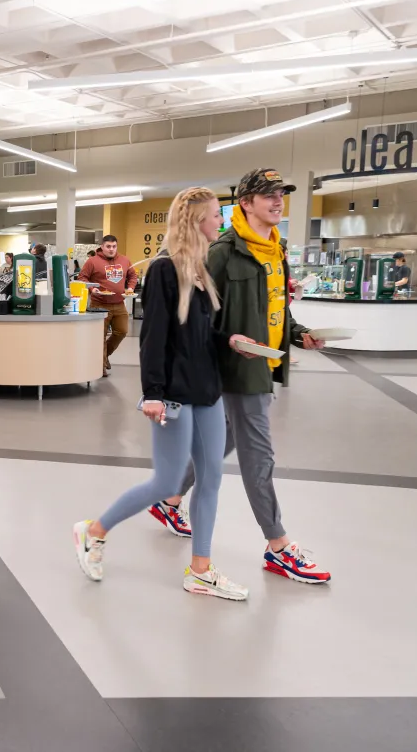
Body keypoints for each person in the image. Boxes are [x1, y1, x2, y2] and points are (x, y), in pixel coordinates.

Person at [149, 168, 331, 585]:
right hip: (234, 368)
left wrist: (299, 335)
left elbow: (275, 307)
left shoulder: (276, 249)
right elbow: (194, 317)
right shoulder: (221, 251)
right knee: (258, 455)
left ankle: (171, 498)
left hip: (263, 363)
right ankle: (278, 546)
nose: (277, 200)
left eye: (281, 193)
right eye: (267, 194)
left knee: (226, 441)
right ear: (245, 203)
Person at [73, 188, 250, 600]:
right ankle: (93, 531)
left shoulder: (203, 272)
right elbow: (152, 339)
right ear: (194, 222)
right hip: (172, 394)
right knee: (166, 481)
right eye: (214, 217)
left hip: (208, 391)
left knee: (210, 480)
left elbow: (202, 334)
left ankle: (200, 570)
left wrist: (231, 341)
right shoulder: (164, 271)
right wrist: (151, 393)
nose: (220, 223)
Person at [78, 235, 138, 375]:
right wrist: (93, 289)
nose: (111, 249)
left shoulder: (124, 260)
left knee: (121, 332)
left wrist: (130, 288)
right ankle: (101, 366)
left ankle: (104, 357)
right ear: (102, 247)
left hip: (119, 303)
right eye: (108, 246)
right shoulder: (92, 261)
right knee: (100, 336)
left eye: (114, 246)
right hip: (99, 303)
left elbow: (133, 276)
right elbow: (82, 277)